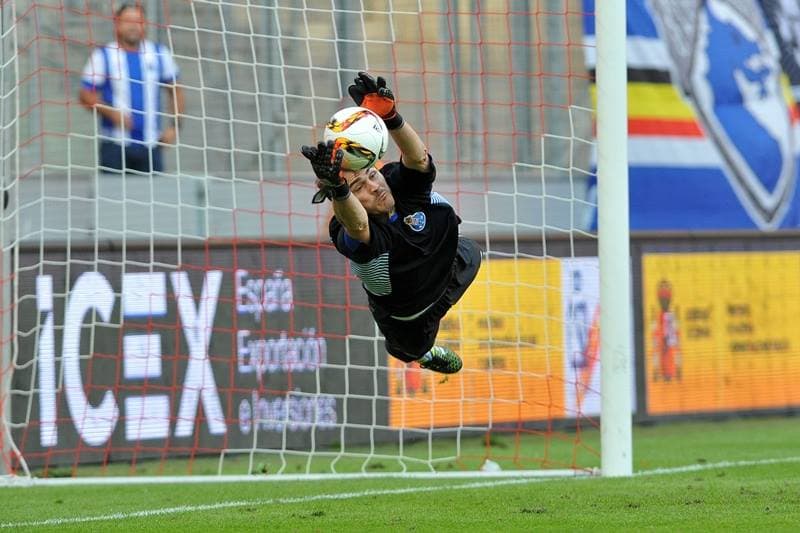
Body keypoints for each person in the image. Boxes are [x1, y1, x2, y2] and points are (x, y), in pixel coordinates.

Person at [301, 72, 482, 374]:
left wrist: (391, 117)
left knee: (473, 253)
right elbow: (358, 227)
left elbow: (419, 159)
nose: (373, 186)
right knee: (410, 349)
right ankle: (425, 355)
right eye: (359, 188)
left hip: (452, 261)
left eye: (372, 175)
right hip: (410, 317)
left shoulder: (396, 182)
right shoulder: (348, 229)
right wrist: (338, 189)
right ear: (350, 199)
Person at [78, 3, 184, 173]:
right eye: (128, 21)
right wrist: (112, 113)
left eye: (138, 21)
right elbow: (85, 95)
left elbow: (176, 89)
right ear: (117, 24)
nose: (134, 26)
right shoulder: (103, 55)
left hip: (152, 145)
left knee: (153, 196)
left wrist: (175, 127)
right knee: (113, 197)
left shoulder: (159, 53)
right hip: (114, 144)